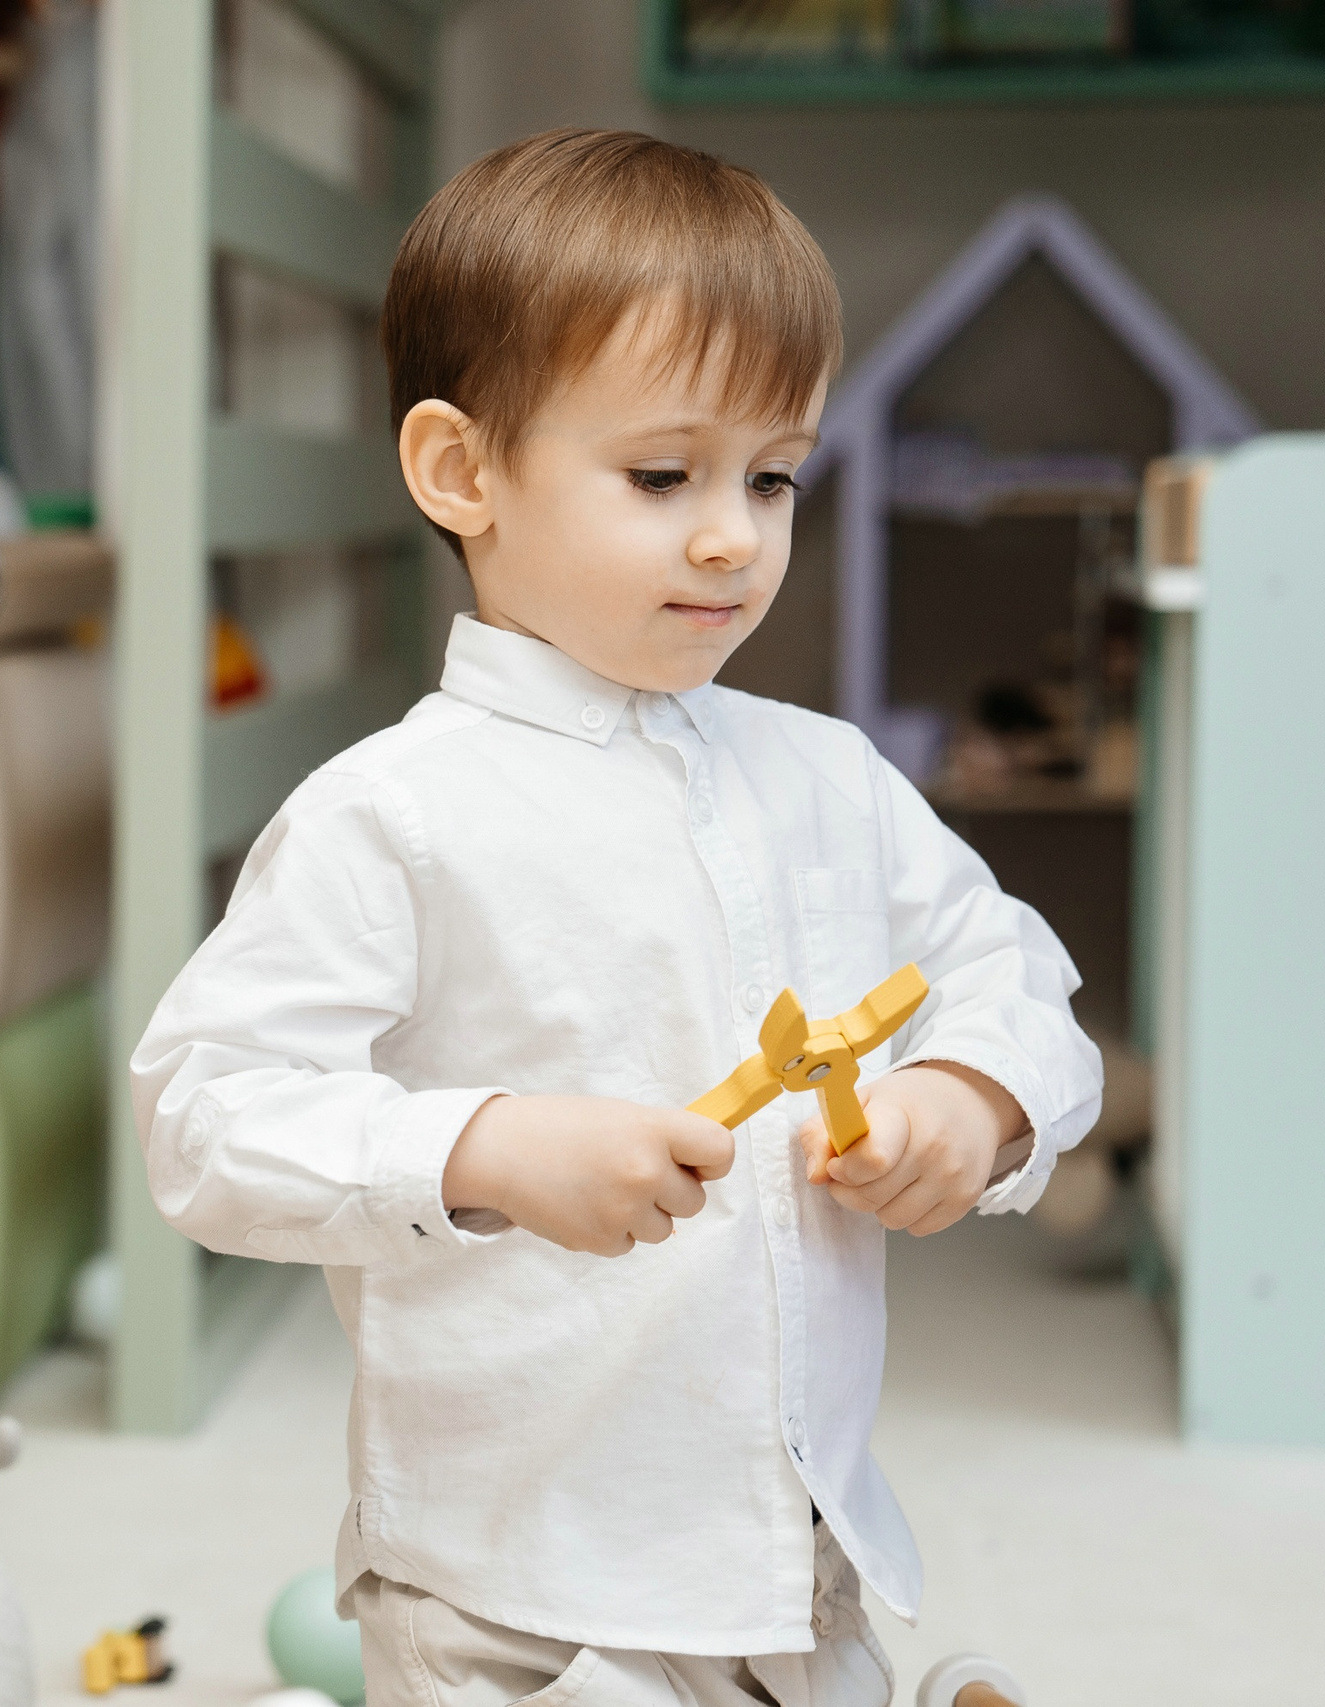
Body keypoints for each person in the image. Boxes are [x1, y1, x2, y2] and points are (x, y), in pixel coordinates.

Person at [130, 131, 1102, 1707]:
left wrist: (973, 1097)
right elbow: (203, 1117)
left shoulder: (830, 778)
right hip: (511, 1588)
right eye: (663, 477)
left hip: (786, 1568)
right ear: (462, 473)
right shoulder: (391, 814)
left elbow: (1014, 972)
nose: (734, 535)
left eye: (772, 477)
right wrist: (485, 1148)